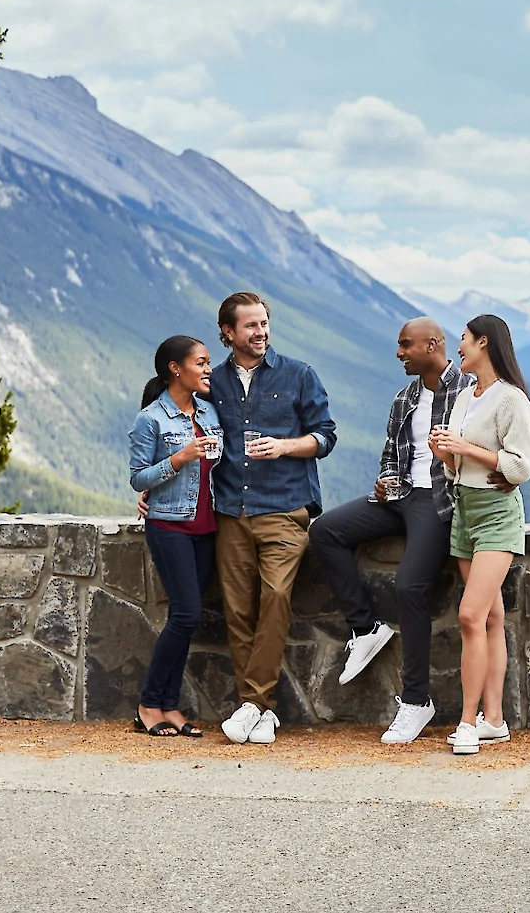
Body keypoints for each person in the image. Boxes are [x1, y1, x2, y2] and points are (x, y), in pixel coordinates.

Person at [307, 317, 472, 744]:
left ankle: (417, 702)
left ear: (432, 345)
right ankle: (366, 628)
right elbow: (390, 454)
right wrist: (385, 481)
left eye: (405, 345)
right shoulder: (404, 398)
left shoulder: (468, 394)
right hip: (398, 498)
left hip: (438, 502)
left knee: (410, 587)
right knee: (325, 530)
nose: (398, 353)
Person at [204, 291, 338, 746]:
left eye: (264, 323)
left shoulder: (299, 375)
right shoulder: (212, 382)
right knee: (238, 610)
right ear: (228, 333)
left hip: (285, 508)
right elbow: (171, 420)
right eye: (250, 326)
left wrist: (284, 446)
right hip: (230, 510)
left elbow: (325, 437)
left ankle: (253, 703)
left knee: (276, 596)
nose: (260, 332)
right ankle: (260, 712)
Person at [427, 314, 530, 755]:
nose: (458, 348)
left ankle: (467, 722)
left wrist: (465, 448)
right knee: (491, 619)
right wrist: (444, 454)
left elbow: (521, 466)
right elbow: (459, 467)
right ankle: (494, 720)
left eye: (464, 340)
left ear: (484, 343)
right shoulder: (465, 397)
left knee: (471, 616)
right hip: (465, 510)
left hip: (496, 514)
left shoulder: (512, 400)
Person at [127, 335, 224, 738]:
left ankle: (169, 705)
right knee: (185, 614)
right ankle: (149, 704)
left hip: (208, 526)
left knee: (185, 620)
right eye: (200, 362)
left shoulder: (209, 410)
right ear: (175, 368)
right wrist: (178, 458)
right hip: (169, 525)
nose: (207, 369)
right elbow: (138, 478)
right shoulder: (150, 419)